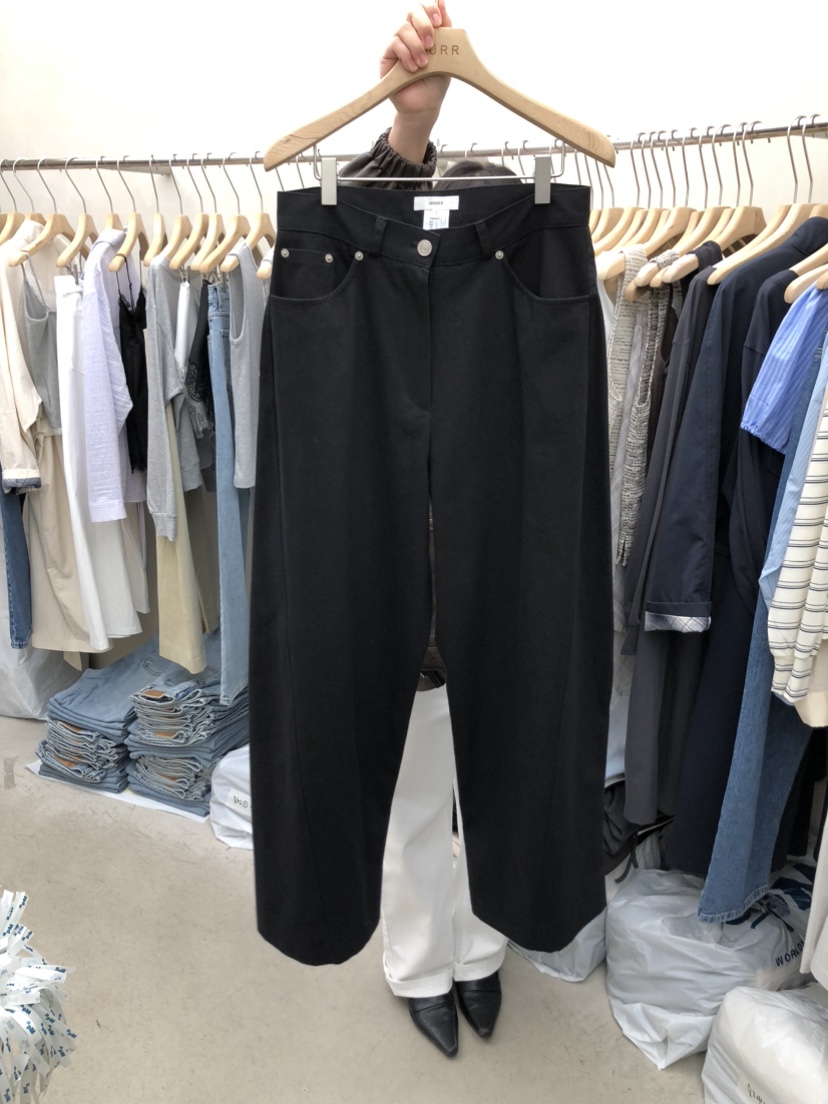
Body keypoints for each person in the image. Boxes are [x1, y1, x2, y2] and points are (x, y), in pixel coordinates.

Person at [340, 0, 517, 1060]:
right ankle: (418, 964)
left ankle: (484, 951)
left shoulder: (530, 273)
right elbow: (354, 233)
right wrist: (412, 122)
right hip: (404, 594)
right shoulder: (380, 298)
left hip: (496, 589)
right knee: (413, 799)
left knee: (497, 784)